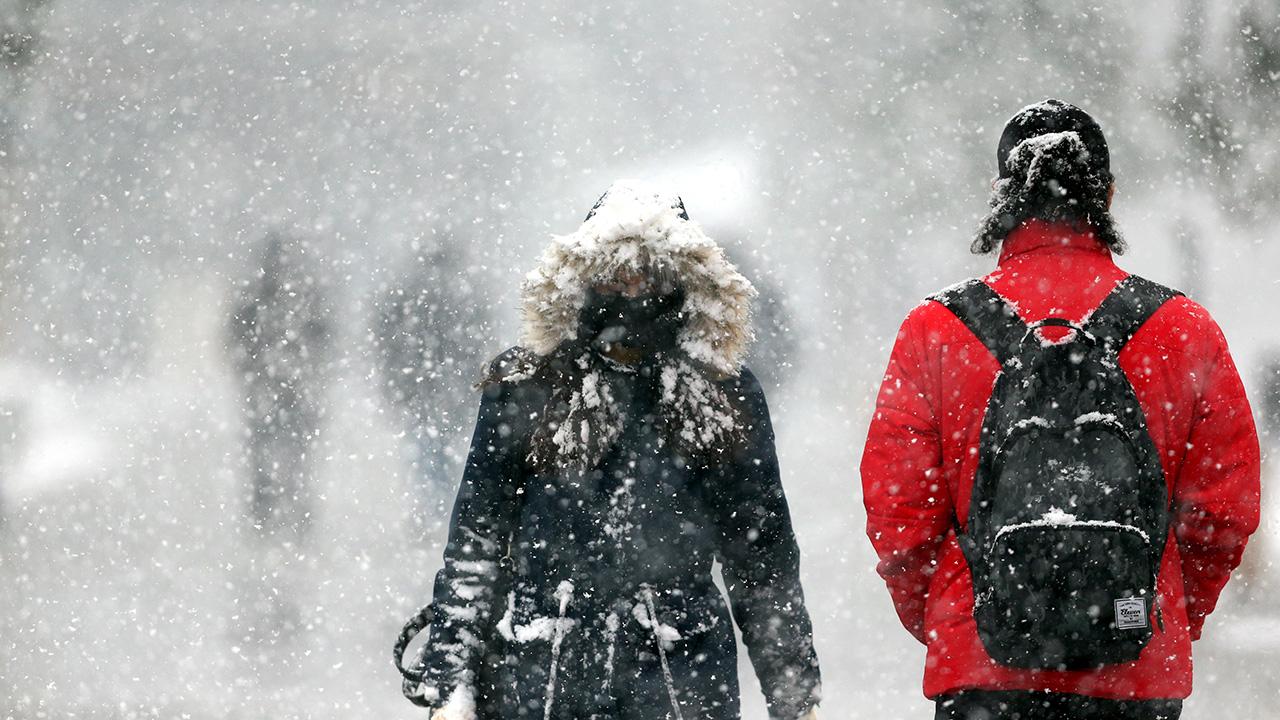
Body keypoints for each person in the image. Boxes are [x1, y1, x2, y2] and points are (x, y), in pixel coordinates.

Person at [860, 100, 1261, 720]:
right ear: (1107, 194)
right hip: (1135, 668)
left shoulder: (935, 330)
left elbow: (900, 515)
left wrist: (956, 615)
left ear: (1002, 195)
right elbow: (1221, 512)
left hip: (983, 673)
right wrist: (1157, 606)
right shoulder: (1182, 329)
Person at [400, 181, 822, 720]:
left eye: (650, 272)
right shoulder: (528, 384)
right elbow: (477, 541)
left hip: (681, 676)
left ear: (686, 281)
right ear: (582, 276)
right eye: (616, 271)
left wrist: (794, 696)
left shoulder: (723, 393)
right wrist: (449, 681)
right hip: (542, 672)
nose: (631, 288)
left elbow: (762, 561)